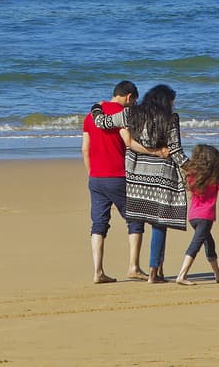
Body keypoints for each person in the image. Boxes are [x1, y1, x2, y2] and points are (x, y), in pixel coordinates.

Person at [92, 84, 189, 284]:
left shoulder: (130, 114)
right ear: (165, 101)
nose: (173, 105)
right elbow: (176, 151)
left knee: (142, 220)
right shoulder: (171, 119)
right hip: (161, 176)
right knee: (160, 223)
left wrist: (96, 106)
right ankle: (155, 271)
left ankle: (152, 270)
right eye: (172, 101)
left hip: (136, 177)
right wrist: (194, 168)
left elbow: (101, 122)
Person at [82, 80, 150, 284]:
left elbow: (85, 149)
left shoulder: (90, 116)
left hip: (95, 178)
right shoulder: (120, 116)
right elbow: (129, 142)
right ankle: (134, 267)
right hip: (118, 175)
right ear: (129, 97)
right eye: (133, 102)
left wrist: (92, 173)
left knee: (99, 224)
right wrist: (156, 151)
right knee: (135, 219)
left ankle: (98, 271)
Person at [175, 144, 219, 286]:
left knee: (209, 243)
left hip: (193, 216)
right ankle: (182, 275)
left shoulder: (192, 175)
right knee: (196, 244)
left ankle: (218, 274)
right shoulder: (215, 178)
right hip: (205, 217)